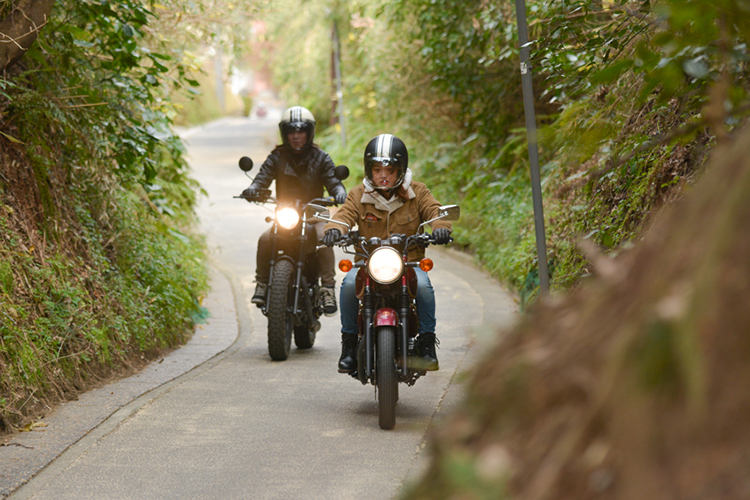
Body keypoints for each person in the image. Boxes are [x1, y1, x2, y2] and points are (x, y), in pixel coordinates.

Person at [322, 133, 452, 372]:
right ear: (368, 169)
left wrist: (441, 228)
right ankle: (349, 345)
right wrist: (333, 229)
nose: (383, 175)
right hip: (366, 263)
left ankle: (426, 344)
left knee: (423, 287)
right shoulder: (358, 194)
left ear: (400, 169)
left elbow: (435, 211)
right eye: (377, 169)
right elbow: (343, 215)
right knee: (349, 284)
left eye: (389, 169)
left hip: (409, 262)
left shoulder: (418, 192)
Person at [242, 106, 347, 316]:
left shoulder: (321, 157)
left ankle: (327, 288)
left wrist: (339, 192)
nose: (296, 136)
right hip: (286, 211)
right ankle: (262, 283)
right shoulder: (276, 157)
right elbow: (262, 178)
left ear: (309, 133)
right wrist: (253, 189)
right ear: (285, 133)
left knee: (323, 236)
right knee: (265, 239)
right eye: (291, 132)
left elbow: (333, 181)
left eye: (301, 131)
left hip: (315, 210)